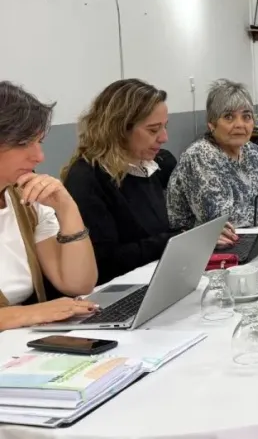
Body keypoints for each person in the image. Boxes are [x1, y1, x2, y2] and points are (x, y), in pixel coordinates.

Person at [61, 79, 211, 286]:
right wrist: (174, 240)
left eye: (164, 127)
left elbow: (154, 236)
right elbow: (105, 262)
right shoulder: (87, 179)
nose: (164, 137)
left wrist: (193, 236)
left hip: (149, 280)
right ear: (119, 130)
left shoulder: (146, 167)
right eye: (153, 130)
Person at [0, 82, 99, 330]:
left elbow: (78, 283)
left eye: (39, 142)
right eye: (23, 143)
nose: (39, 157)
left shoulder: (24, 200)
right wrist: (24, 314)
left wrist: (66, 208)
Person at [167, 80, 258, 232]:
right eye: (229, 117)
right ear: (212, 123)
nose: (240, 124)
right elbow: (221, 217)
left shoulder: (253, 151)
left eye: (246, 117)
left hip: (249, 239)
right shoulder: (199, 156)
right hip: (203, 249)